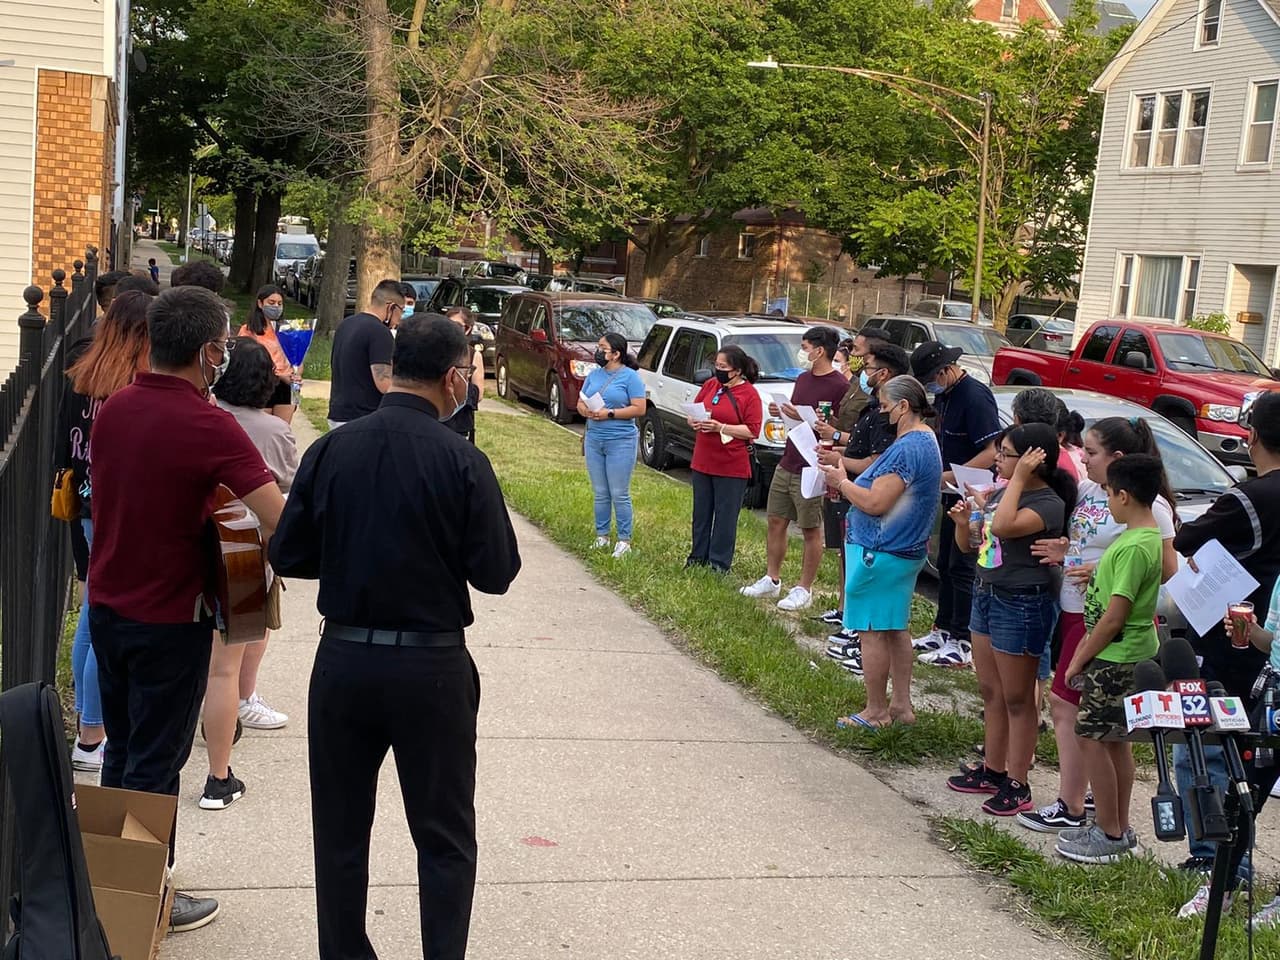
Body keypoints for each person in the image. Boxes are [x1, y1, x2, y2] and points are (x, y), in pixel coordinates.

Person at [269, 316, 522, 960]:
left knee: (341, 828)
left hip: (345, 657)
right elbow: (496, 573)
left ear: (391, 371)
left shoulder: (332, 449)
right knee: (443, 832)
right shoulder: (462, 459)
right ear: (453, 377)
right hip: (430, 666)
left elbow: (290, 552)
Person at [88, 285, 285, 933]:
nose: (224, 357)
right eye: (224, 347)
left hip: (110, 604)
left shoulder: (115, 408)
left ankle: (108, 888)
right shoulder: (208, 425)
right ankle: (135, 910)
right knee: (156, 765)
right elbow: (278, 519)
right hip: (170, 618)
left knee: (122, 753)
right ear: (208, 351)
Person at [1021, 416, 1179, 836]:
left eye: (1091, 452)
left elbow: (1163, 568)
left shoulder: (1150, 510)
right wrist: (1067, 549)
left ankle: (1076, 805)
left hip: (1106, 628)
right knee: (1086, 719)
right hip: (1077, 609)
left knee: (1074, 711)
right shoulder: (1094, 491)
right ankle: (1095, 806)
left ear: (1118, 459)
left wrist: (1104, 570)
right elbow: (1088, 540)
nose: (1083, 459)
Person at [1172, 391, 1280, 894]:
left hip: (1230, 627)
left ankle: (1217, 859)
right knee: (1254, 755)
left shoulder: (1252, 496)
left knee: (1207, 743)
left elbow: (1187, 539)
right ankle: (1233, 858)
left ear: (1251, 435)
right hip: (1268, 641)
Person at [946, 423, 1074, 817]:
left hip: (1021, 603)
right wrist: (961, 524)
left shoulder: (1047, 503)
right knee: (991, 691)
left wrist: (1016, 479)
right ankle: (993, 768)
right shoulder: (1003, 492)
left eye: (1006, 453)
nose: (998, 459)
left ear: (1034, 460)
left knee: (1018, 698)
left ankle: (1018, 783)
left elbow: (1003, 526)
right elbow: (977, 544)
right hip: (986, 595)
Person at [200, 337, 299, 810]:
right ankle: (218, 777)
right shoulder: (271, 431)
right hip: (242, 553)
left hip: (187, 546)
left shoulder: (202, 416)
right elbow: (286, 497)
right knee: (225, 670)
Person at [59, 290, 152, 773]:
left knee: (93, 613)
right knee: (102, 619)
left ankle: (84, 724)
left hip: (86, 502)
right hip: (114, 507)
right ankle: (93, 734)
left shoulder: (83, 375)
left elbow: (63, 446)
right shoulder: (129, 387)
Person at [1057, 454, 1164, 864]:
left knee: (1092, 737)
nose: (1106, 500)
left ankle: (1109, 830)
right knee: (1116, 740)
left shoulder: (1136, 546)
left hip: (1116, 656)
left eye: (1108, 493)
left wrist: (1079, 657)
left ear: (1123, 495)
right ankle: (1116, 825)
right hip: (1128, 653)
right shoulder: (1142, 538)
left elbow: (1115, 615)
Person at [819, 376, 941, 725]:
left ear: (905, 406)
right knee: (894, 627)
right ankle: (901, 707)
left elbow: (875, 502)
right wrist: (844, 469)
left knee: (871, 630)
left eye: (887, 406)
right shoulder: (926, 438)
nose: (882, 412)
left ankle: (875, 711)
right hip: (905, 549)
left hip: (882, 550)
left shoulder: (907, 448)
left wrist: (840, 483)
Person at [741, 326, 849, 611]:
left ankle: (804, 587)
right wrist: (784, 412)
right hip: (789, 458)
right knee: (776, 519)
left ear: (820, 350)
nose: (803, 353)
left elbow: (839, 426)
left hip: (813, 464)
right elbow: (797, 413)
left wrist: (812, 420)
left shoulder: (839, 385)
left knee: (810, 527)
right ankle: (771, 577)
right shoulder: (802, 379)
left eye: (805, 347)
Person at [818, 342, 911, 667]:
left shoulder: (900, 430)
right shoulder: (874, 408)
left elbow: (876, 461)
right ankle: (849, 618)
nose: (862, 373)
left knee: (864, 572)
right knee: (847, 557)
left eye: (868, 367)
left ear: (884, 373)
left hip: (868, 503)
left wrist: (841, 469)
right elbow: (860, 447)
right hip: (852, 491)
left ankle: (860, 636)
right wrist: (839, 449)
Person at [911, 340, 1001, 668]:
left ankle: (963, 639)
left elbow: (993, 450)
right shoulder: (944, 395)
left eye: (933, 377)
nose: (932, 385)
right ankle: (943, 627)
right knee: (946, 563)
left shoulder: (974, 397)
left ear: (947, 370)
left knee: (963, 566)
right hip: (953, 491)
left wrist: (951, 474)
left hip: (973, 490)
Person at [1212, 555, 1280, 931]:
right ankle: (1221, 887)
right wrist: (1251, 631)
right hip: (1274, 693)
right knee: (1244, 792)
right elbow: (1273, 641)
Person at [811, 329, 889, 627]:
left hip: (858, 477)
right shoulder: (857, 385)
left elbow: (872, 448)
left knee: (856, 549)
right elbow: (851, 432)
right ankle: (844, 607)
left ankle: (854, 617)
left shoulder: (884, 401)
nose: (852, 356)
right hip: (842, 469)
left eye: (858, 352)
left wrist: (838, 444)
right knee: (844, 548)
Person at [686, 345, 763, 573]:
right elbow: (695, 409)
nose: (717, 371)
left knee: (725, 517)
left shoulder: (749, 394)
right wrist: (695, 421)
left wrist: (722, 427)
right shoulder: (711, 385)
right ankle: (697, 556)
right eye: (716, 366)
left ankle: (718, 563)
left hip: (731, 464)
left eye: (723, 367)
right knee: (701, 513)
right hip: (703, 459)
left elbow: (752, 430)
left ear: (737, 370)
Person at [576, 332, 646, 557]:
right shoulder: (594, 375)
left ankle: (624, 540)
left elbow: (639, 408)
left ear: (616, 354)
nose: (598, 351)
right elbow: (580, 401)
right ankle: (602, 535)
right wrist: (586, 410)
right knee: (600, 492)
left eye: (602, 348)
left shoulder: (631, 377)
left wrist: (611, 413)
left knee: (619, 492)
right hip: (595, 439)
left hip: (620, 440)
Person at [326, 279, 403, 429]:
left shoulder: (346, 324)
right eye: (402, 310)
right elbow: (384, 383)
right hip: (363, 419)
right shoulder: (380, 332)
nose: (400, 318)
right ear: (392, 306)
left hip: (338, 413)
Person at [236, 284, 297, 423]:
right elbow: (245, 362)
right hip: (260, 385)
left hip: (285, 387)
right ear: (260, 303)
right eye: (271, 302)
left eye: (279, 303)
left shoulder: (288, 330)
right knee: (262, 430)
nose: (276, 307)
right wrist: (278, 374)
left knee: (283, 431)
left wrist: (296, 375)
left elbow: (298, 358)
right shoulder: (248, 331)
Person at [443, 305, 485, 441]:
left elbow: (478, 393)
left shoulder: (473, 354)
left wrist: (460, 383)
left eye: (455, 325)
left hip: (460, 421)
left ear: (467, 329)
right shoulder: (437, 349)